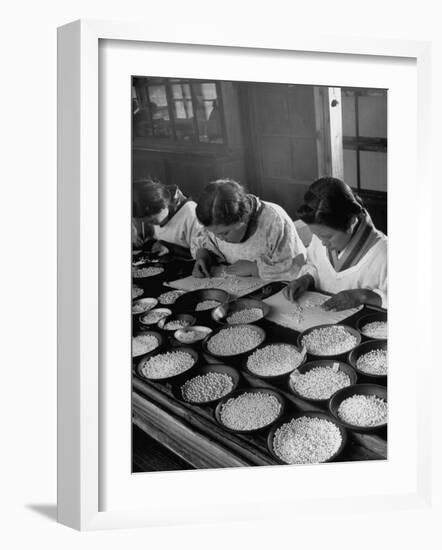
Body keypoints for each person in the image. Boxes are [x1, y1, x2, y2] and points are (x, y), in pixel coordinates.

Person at [284, 177, 387, 310]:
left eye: (328, 236)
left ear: (351, 221)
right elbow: (313, 265)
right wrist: (306, 279)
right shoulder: (321, 237)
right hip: (319, 316)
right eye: (317, 235)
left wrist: (363, 296)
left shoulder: (384, 253)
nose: (322, 243)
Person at [191, 179, 306, 280]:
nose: (218, 238)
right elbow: (204, 241)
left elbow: (295, 266)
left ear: (244, 219)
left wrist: (255, 269)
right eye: (213, 233)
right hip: (232, 283)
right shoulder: (214, 220)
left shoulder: (274, 221)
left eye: (225, 233)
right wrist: (203, 256)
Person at [132, 178, 202, 257]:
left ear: (163, 205)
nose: (149, 224)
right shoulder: (149, 210)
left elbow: (203, 257)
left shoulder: (192, 215)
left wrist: (170, 248)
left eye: (152, 221)